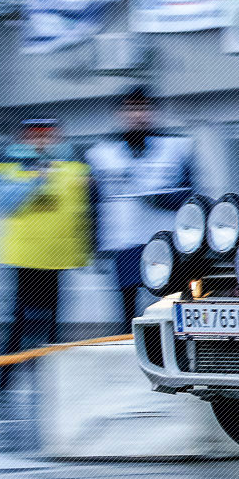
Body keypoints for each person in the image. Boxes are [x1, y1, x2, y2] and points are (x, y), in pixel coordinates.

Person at [0, 118, 92, 393]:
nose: (42, 141)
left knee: (52, 326)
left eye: (48, 135)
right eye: (35, 135)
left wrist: (85, 252)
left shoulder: (74, 167)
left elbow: (82, 211)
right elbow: (1, 203)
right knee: (18, 323)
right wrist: (35, 179)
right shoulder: (7, 166)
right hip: (23, 258)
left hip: (58, 258)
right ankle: (2, 382)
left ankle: (48, 384)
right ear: (24, 138)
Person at [86, 87, 198, 324]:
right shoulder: (102, 153)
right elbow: (94, 203)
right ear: (120, 114)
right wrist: (94, 245)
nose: (137, 115)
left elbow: (191, 198)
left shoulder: (176, 148)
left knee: (170, 304)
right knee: (128, 312)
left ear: (153, 112)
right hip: (124, 242)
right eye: (131, 109)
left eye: (143, 108)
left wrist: (160, 199)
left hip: (165, 241)